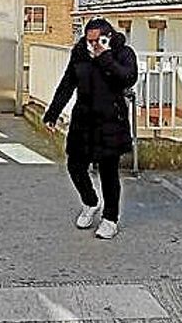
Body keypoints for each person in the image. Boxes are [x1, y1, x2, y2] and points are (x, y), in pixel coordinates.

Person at [43, 17, 138, 239]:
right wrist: (52, 114)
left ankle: (110, 219)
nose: (92, 44)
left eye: (98, 40)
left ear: (108, 37)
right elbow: (67, 83)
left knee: (108, 173)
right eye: (89, 40)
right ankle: (90, 202)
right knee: (74, 165)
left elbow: (127, 78)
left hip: (110, 122)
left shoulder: (123, 53)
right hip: (83, 120)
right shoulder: (79, 53)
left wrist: (104, 57)